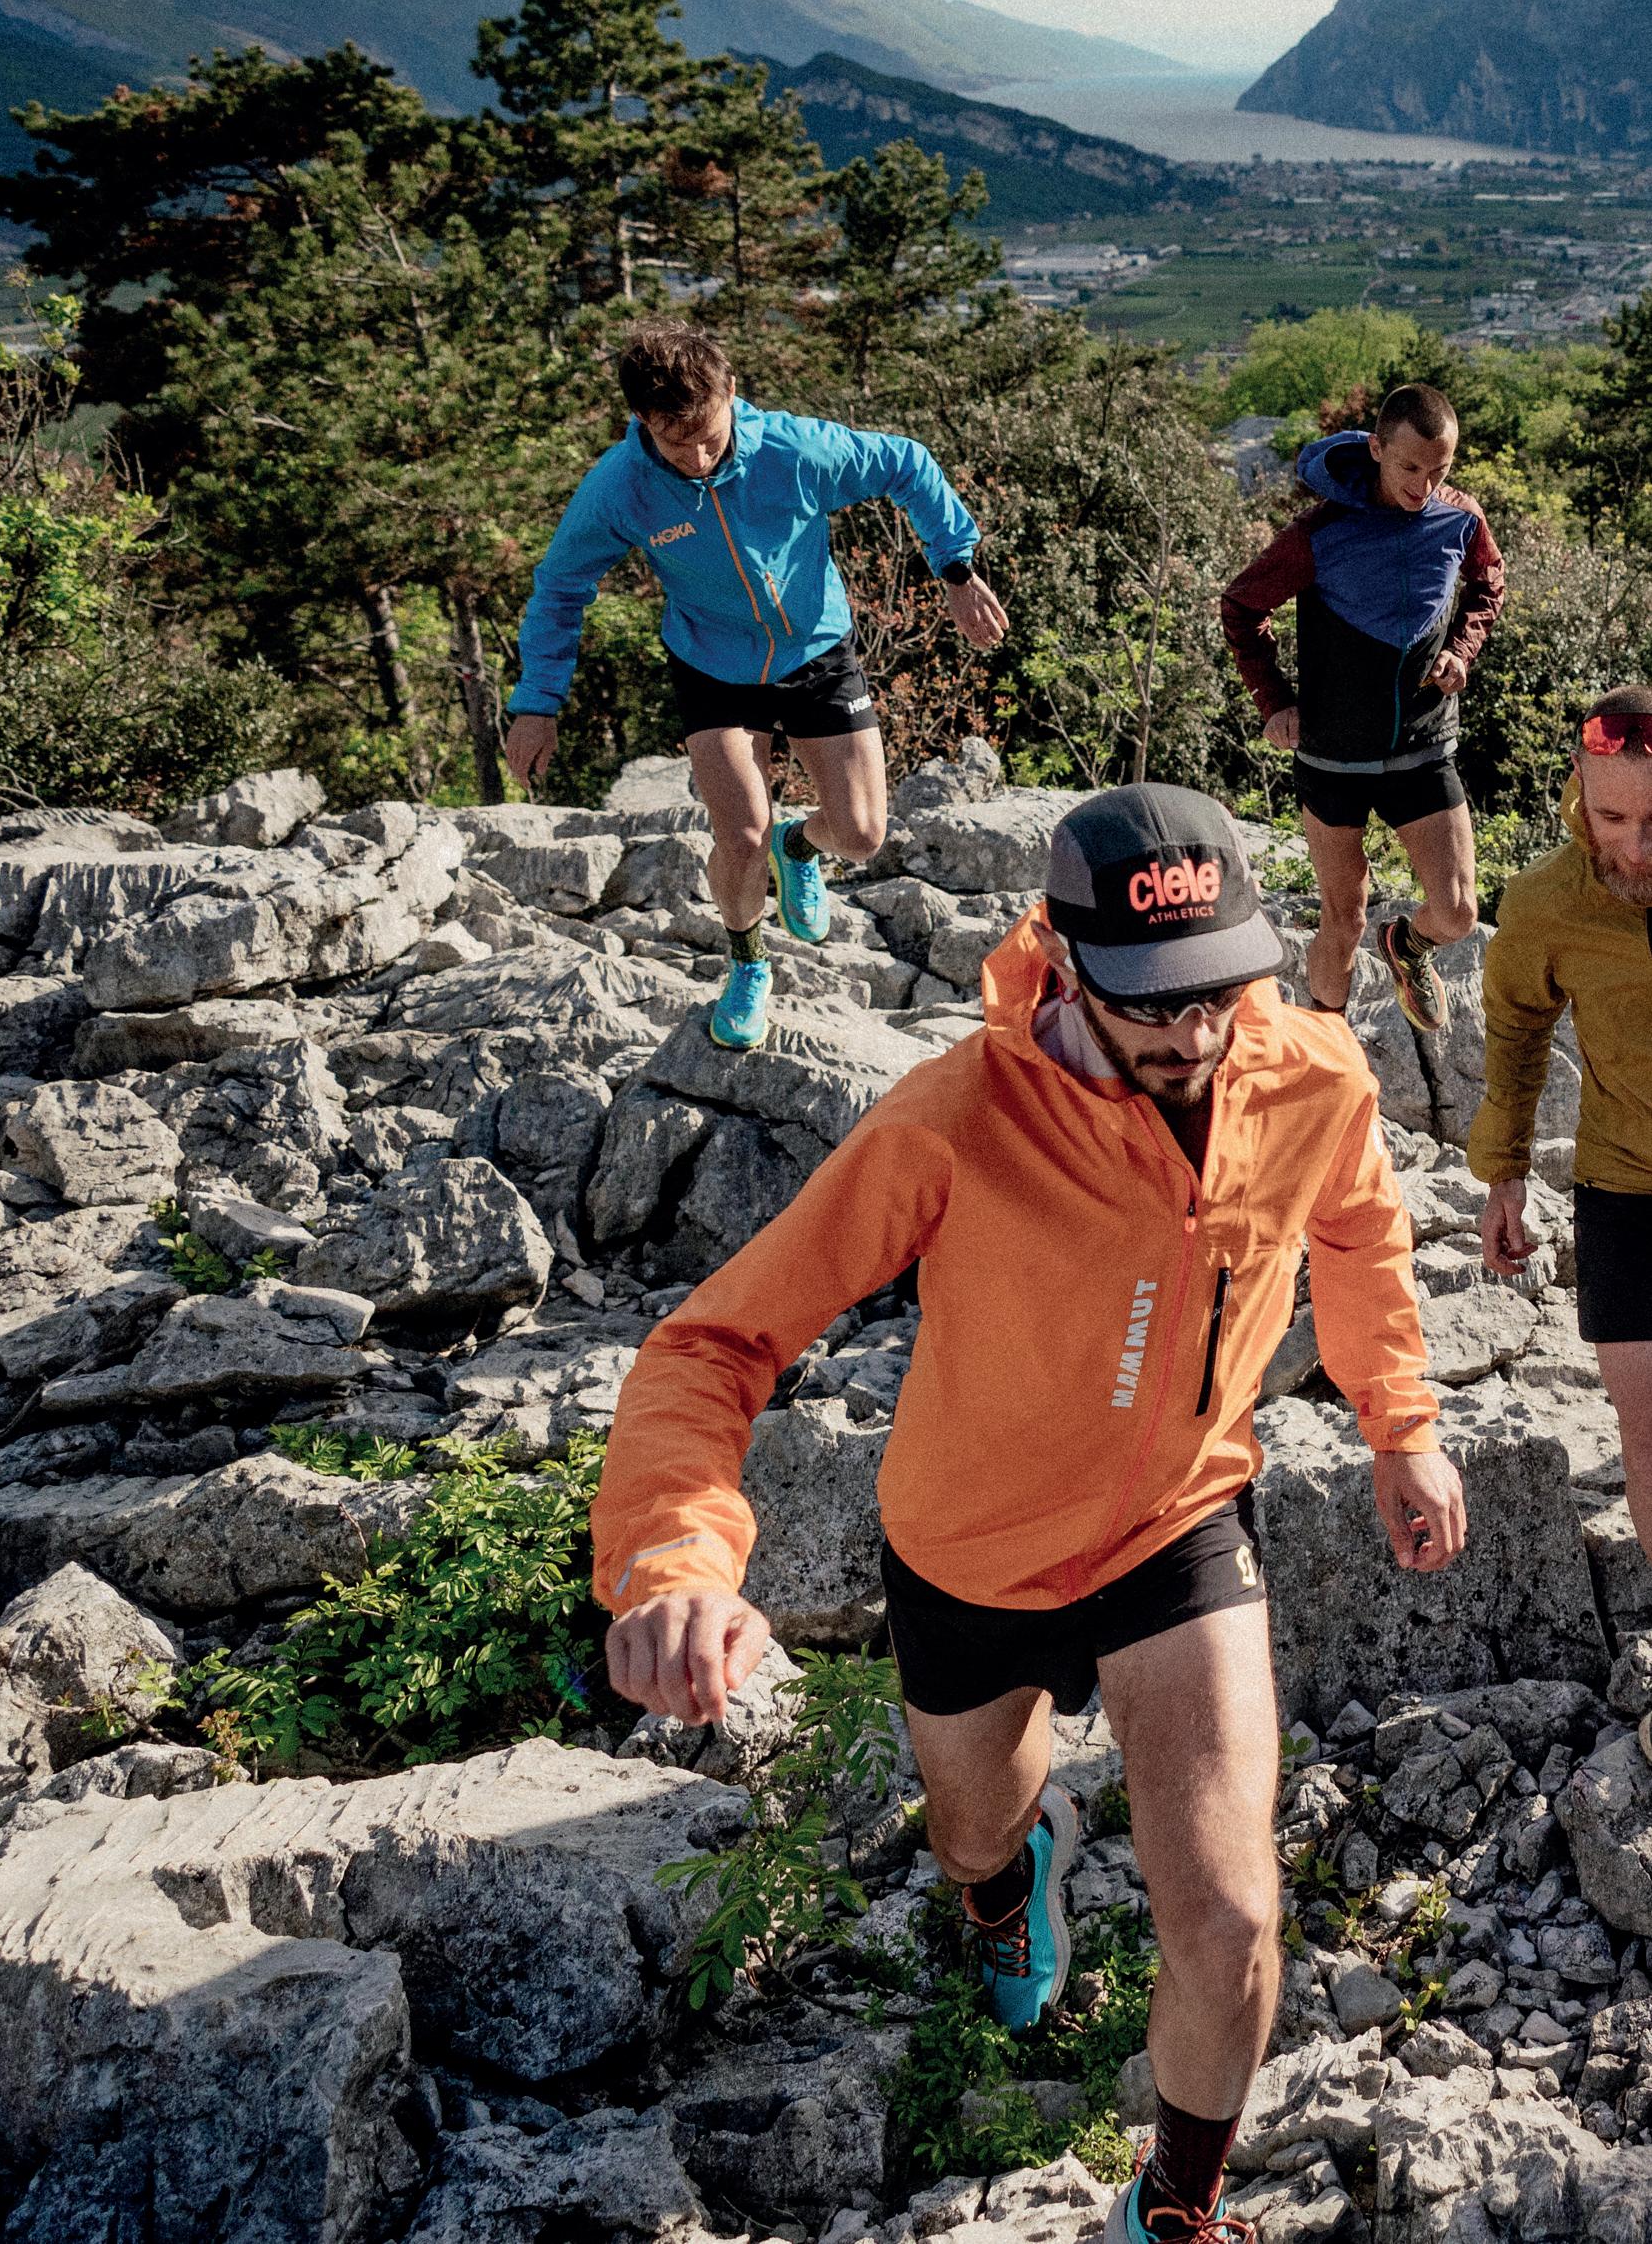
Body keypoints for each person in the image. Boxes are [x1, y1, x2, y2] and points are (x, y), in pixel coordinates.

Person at [594, 782, 1464, 2244]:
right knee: (970, 1838)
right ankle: (1010, 1885)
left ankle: (1172, 2207)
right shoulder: (952, 1121)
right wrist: (676, 1559)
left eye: (1216, 990)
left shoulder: (1309, 1073)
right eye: (1150, 1003)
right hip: (969, 1555)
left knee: (1231, 1918)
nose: (1192, 1033)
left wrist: (1400, 1423)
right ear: (1059, 962)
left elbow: (1360, 1227)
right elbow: (715, 1343)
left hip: (1176, 1528)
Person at [502, 324, 1005, 1051]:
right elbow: (560, 587)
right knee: (740, 835)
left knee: (862, 836)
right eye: (677, 443)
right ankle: (747, 963)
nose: (699, 458)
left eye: (709, 436)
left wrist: (955, 568)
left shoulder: (795, 451)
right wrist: (537, 703)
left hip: (815, 651)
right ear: (642, 420)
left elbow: (907, 463)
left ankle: (797, 846)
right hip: (712, 666)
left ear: (731, 393)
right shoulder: (621, 487)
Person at [1219, 383, 1504, 1034]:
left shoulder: (1460, 519)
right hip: (1333, 756)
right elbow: (1241, 605)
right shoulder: (1319, 533)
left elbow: (1489, 580)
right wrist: (1274, 700)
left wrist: (1462, 648)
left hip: (1423, 746)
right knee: (1343, 918)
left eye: (1439, 470)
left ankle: (1407, 944)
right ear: (1376, 448)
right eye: (1410, 467)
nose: (1424, 486)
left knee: (1458, 912)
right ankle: (1326, 1045)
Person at [1477, 686, 1652, 1546]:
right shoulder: (1546, 900)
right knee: (1647, 1430)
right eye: (1612, 818)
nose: (1637, 848)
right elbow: (1515, 1027)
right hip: (1622, 1185)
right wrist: (1504, 1172)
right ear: (1579, 781)